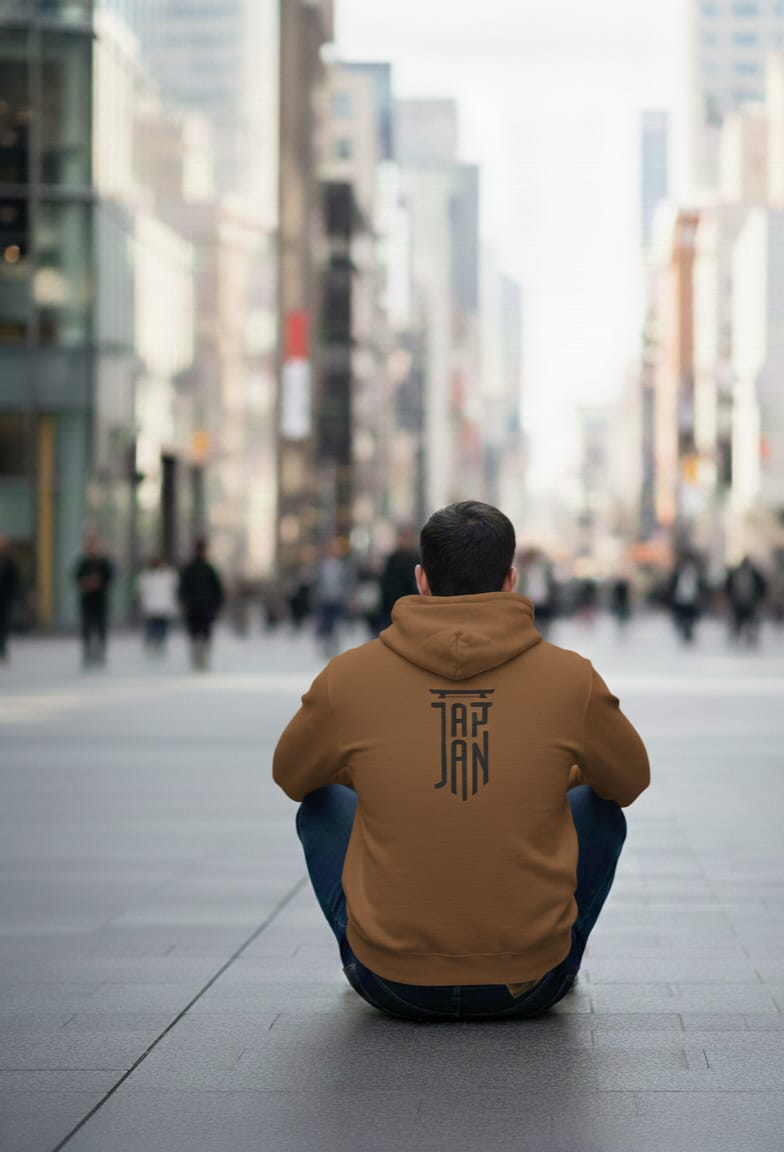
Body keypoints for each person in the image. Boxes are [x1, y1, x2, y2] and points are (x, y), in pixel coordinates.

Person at [273, 500, 650, 1022]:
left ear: (422, 580)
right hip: (531, 982)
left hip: (389, 981)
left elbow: (292, 777)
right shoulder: (571, 678)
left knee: (323, 801)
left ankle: (377, 944)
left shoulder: (348, 676)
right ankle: (552, 949)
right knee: (599, 805)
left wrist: (368, 773)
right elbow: (629, 781)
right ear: (511, 579)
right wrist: (555, 774)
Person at [178, 538, 224, 670]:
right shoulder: (207, 569)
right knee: (201, 633)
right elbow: (218, 590)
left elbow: (217, 590)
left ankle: (200, 657)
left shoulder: (194, 569)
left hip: (200, 606)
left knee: (199, 633)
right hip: (200, 606)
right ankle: (199, 657)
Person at [74, 532, 114, 667]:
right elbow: (76, 577)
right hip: (87, 600)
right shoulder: (83, 562)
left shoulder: (104, 562)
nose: (92, 546)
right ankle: (87, 651)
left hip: (100, 599)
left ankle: (101, 651)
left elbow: (110, 577)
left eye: (94, 544)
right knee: (86, 626)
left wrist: (99, 582)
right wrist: (86, 583)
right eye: (89, 544)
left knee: (101, 626)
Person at [314, 538, 351, 658]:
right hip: (325, 599)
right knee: (326, 624)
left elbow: (347, 582)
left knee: (336, 624)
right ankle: (326, 644)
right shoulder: (321, 566)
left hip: (338, 599)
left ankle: (334, 645)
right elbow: (317, 583)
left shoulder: (342, 566)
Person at [378, 527, 420, 632]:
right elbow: (385, 583)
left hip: (412, 606)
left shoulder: (416, 558)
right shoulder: (393, 559)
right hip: (393, 606)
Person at [137, 555, 178, 655]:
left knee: (162, 627)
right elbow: (141, 590)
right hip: (151, 607)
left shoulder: (169, 574)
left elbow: (173, 590)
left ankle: (160, 645)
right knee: (151, 627)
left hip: (164, 606)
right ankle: (151, 644)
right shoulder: (146, 575)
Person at [725, 555, 767, 647]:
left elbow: (762, 586)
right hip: (738, 603)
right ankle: (738, 636)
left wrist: (759, 598)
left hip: (750, 603)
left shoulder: (755, 574)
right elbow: (728, 585)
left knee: (750, 621)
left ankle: (749, 637)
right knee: (738, 622)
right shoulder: (736, 573)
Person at [667, 550, 705, 644]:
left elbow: (701, 585)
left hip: (692, 599)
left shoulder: (696, 573)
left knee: (690, 618)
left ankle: (688, 633)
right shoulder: (678, 572)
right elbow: (672, 585)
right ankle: (685, 632)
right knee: (682, 617)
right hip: (681, 599)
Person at [518, 547, 557, 638]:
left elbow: (552, 585)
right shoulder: (524, 570)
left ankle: (544, 643)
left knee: (545, 627)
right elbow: (521, 587)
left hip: (544, 602)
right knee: (532, 626)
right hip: (530, 602)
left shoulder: (545, 568)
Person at [0, 535, 20, 662]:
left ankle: (2, 650)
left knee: (3, 626)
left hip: (5, 600)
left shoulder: (10, 562)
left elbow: (15, 582)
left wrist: (13, 597)